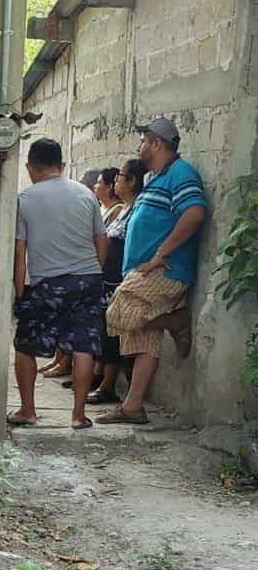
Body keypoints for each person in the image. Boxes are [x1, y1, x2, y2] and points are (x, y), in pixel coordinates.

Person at [98, 119, 206, 425]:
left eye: (144, 139)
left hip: (165, 269)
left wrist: (160, 255)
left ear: (157, 143)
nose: (140, 145)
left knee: (117, 313)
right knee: (143, 336)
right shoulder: (156, 178)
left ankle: (176, 319)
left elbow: (195, 214)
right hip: (144, 268)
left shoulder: (180, 172)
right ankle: (133, 406)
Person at [11, 138, 108, 430]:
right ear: (62, 166)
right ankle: (78, 415)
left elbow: (20, 254)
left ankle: (28, 410)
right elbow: (101, 242)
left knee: (25, 346)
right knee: (84, 346)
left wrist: (19, 294)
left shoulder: (25, 199)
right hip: (88, 280)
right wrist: (92, 273)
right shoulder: (86, 195)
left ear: (30, 167)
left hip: (48, 285)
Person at [87, 158, 148, 405]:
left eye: (120, 177)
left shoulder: (135, 210)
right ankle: (102, 380)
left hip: (121, 280)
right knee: (106, 331)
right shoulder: (124, 209)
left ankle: (108, 384)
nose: (116, 182)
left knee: (115, 333)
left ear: (132, 181)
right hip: (109, 279)